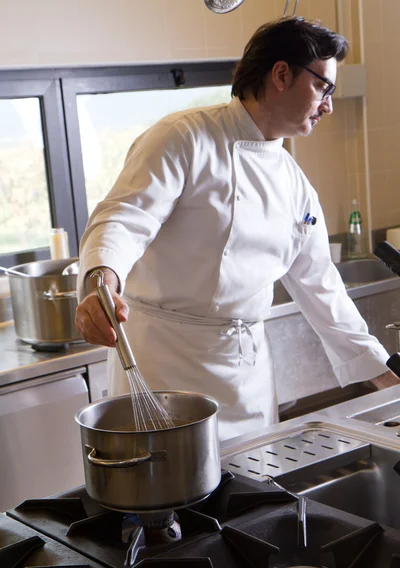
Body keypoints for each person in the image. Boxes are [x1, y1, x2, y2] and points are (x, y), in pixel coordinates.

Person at [76, 16, 400, 441]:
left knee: (253, 498)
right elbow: (122, 219)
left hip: (246, 384)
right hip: (164, 375)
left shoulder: (295, 186)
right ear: (282, 74)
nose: (329, 105)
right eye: (324, 87)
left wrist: (389, 381)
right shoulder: (183, 139)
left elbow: (326, 294)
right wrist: (100, 282)